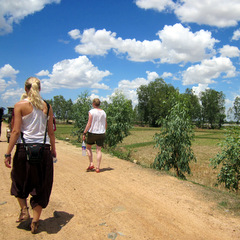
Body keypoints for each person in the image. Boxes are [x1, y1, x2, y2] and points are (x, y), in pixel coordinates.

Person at [4, 77, 56, 234]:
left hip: (23, 149)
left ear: (26, 89)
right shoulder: (47, 106)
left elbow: (15, 131)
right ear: (39, 89)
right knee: (41, 184)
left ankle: (24, 210)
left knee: (19, 181)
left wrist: (8, 152)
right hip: (44, 150)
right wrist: (53, 149)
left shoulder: (19, 105)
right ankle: (35, 220)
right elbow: (51, 132)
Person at [83, 98, 107, 173]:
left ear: (93, 104)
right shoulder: (103, 112)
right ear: (99, 104)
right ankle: (98, 168)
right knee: (98, 150)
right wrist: (104, 131)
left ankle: (91, 163)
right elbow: (105, 123)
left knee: (88, 147)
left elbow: (89, 123)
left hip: (92, 133)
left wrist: (84, 132)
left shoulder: (91, 112)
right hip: (101, 133)